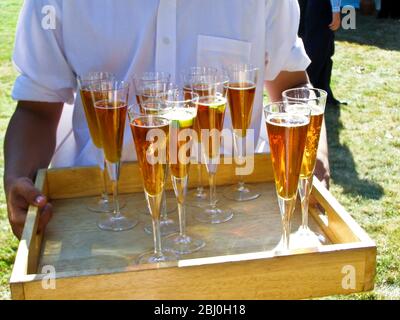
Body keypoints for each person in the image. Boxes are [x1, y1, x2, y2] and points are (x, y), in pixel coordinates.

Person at [4, 0, 330, 239]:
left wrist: (316, 158)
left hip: (233, 217)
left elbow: (293, 87)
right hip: (100, 216)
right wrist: (18, 178)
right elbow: (37, 107)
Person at [298, 0, 344, 107]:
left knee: (314, 47)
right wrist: (336, 10)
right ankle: (307, 95)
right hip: (319, 6)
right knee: (319, 49)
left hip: (307, 6)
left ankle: (320, 94)